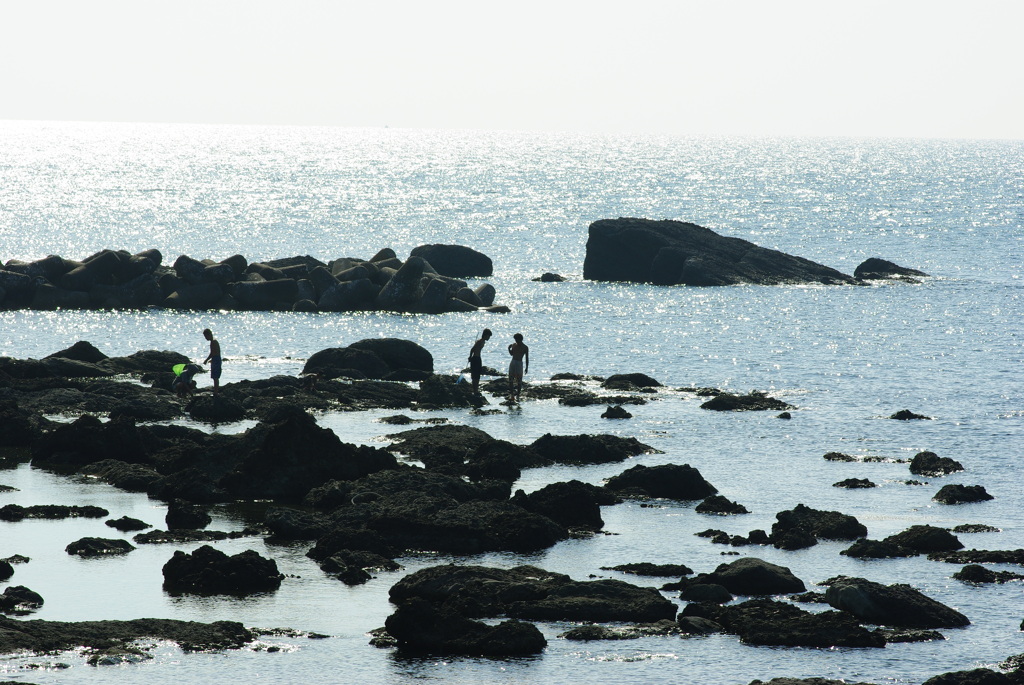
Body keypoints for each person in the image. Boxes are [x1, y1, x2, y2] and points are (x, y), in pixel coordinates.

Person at [467, 328, 492, 392]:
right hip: (475, 358)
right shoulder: (479, 341)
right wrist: (470, 357)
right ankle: (475, 390)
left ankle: (476, 389)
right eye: (488, 336)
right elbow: (472, 349)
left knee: (477, 375)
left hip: (478, 358)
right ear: (485, 335)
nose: (489, 338)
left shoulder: (483, 341)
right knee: (475, 375)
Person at [507, 333, 529, 401]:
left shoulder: (525, 347)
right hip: (513, 362)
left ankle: (518, 395)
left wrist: (526, 367)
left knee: (519, 380)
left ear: (520, 339)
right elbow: (511, 354)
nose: (516, 341)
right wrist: (509, 348)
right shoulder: (514, 345)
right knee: (511, 379)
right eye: (515, 340)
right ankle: (512, 394)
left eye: (517, 340)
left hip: (519, 363)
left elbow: (526, 358)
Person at [202, 328, 222, 396]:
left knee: (215, 377)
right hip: (216, 359)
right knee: (215, 377)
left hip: (216, 359)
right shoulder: (213, 341)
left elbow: (213, 353)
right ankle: (216, 391)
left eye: (205, 336)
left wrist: (206, 360)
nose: (205, 338)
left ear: (209, 334)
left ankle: (216, 392)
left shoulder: (213, 341)